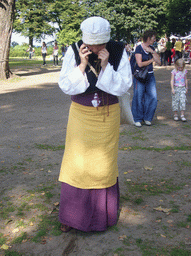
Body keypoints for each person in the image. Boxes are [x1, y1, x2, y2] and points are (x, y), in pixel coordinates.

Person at [58, 16, 132, 232]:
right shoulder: (73, 50)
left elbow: (123, 86)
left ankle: (102, 216)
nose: (95, 47)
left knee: (103, 163)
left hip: (107, 116)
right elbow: (66, 86)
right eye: (91, 42)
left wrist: (106, 65)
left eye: (99, 43)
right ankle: (71, 216)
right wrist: (81, 65)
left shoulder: (118, 51)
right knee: (76, 162)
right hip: (81, 116)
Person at [131, 29, 161, 127]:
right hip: (140, 76)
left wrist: (152, 52)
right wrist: (152, 60)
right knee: (138, 96)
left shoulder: (152, 48)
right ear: (148, 38)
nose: (154, 40)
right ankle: (137, 118)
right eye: (153, 38)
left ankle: (148, 118)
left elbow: (159, 62)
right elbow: (140, 64)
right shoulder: (139, 48)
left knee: (153, 97)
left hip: (150, 76)